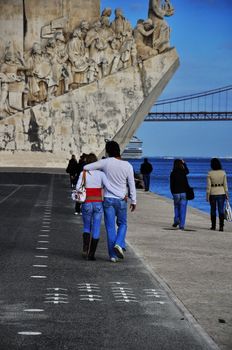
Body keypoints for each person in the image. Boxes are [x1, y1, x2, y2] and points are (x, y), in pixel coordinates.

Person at [84, 141, 136, 262]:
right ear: (119, 150)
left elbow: (86, 167)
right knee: (123, 223)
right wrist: (133, 200)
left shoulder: (105, 162)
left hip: (107, 199)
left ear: (108, 151)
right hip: (121, 199)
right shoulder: (127, 165)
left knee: (110, 227)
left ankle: (113, 255)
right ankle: (119, 243)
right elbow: (131, 184)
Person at [76, 153, 123, 260]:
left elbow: (78, 187)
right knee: (96, 227)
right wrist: (121, 195)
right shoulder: (101, 174)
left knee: (87, 226)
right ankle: (92, 255)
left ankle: (85, 248)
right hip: (98, 203)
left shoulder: (83, 173)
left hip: (87, 202)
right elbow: (109, 187)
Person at [206, 158, 229, 231]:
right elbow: (225, 185)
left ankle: (213, 226)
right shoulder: (223, 172)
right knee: (221, 210)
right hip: (221, 192)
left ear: (212, 165)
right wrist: (227, 194)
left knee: (213, 210)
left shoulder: (210, 173)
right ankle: (221, 227)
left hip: (213, 193)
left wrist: (207, 195)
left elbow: (208, 186)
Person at [170, 159, 189, 230]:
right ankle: (182, 225)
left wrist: (172, 193)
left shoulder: (173, 173)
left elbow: (171, 185)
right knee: (183, 209)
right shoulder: (183, 172)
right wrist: (184, 164)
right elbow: (188, 171)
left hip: (176, 192)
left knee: (176, 207)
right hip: (184, 192)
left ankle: (176, 220)